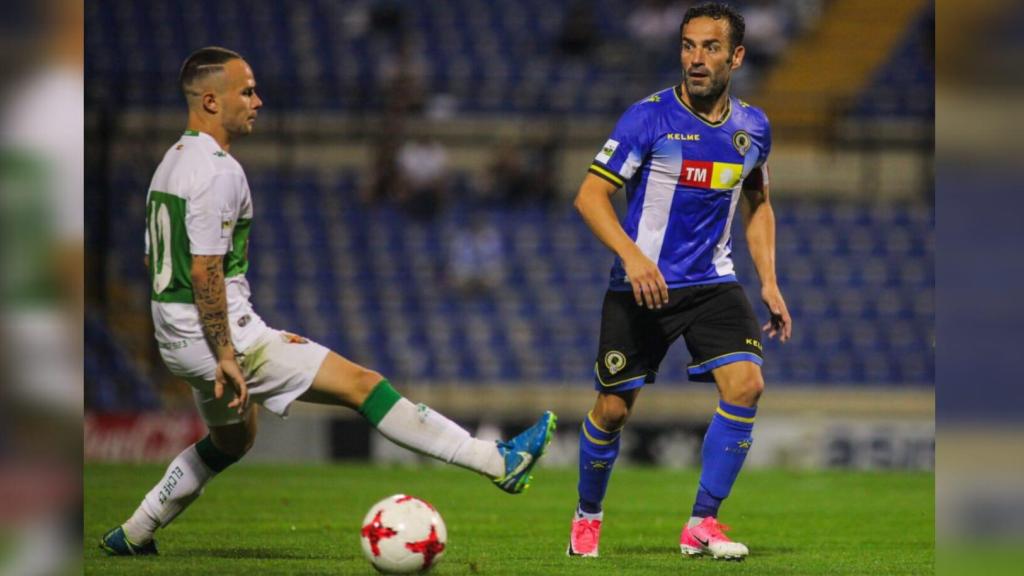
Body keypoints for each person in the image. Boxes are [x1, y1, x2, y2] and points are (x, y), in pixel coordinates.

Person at [99, 46, 556, 556]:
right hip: (218, 340)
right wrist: (229, 353)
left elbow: (155, 264)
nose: (259, 100)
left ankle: (135, 531)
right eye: (246, 91)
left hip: (178, 336)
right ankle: (498, 461)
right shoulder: (217, 170)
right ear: (210, 100)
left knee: (233, 441)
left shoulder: (170, 164)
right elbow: (206, 270)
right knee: (365, 386)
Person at [566, 2, 791, 560]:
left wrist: (769, 281)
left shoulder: (752, 128)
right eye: (688, 45)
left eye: (710, 47)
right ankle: (587, 517)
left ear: (736, 56)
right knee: (613, 409)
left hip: (713, 284)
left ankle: (702, 524)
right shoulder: (647, 119)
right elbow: (590, 197)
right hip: (640, 286)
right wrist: (633, 257)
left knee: (748, 384)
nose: (696, 58)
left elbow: (758, 202)